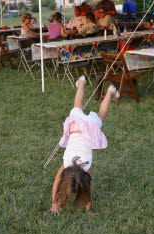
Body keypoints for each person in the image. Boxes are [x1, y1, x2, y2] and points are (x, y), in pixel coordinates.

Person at [48, 75, 120, 216]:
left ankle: (108, 90)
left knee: (100, 115)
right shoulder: (68, 163)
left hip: (91, 125)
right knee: (78, 106)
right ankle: (82, 82)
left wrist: (54, 205)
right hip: (77, 123)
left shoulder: (86, 167)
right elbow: (83, 188)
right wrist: (87, 210)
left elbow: (58, 183)